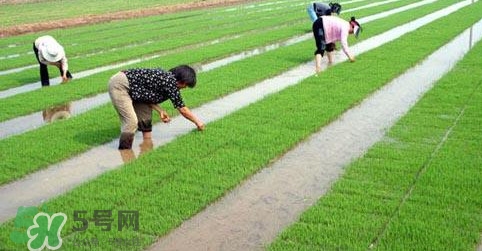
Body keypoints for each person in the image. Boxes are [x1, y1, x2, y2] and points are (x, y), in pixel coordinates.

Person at [108, 65, 205, 150]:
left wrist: (160, 111)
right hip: (120, 85)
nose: (185, 87)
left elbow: (147, 96)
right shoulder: (169, 82)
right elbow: (182, 109)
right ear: (180, 79)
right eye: (185, 84)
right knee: (131, 122)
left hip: (135, 91)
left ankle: (147, 144)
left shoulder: (167, 79)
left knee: (145, 117)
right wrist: (197, 122)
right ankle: (125, 150)